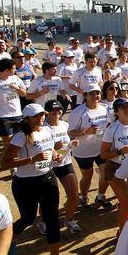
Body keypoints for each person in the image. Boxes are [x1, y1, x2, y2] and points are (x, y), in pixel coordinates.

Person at [2, 103, 68, 255]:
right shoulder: (21, 136)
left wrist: (56, 156)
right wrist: (32, 159)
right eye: (36, 116)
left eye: (42, 114)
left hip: (47, 177)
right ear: (27, 118)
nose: (41, 118)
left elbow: (50, 150)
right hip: (25, 183)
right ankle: (12, 239)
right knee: (28, 218)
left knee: (52, 218)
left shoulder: (46, 130)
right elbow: (5, 162)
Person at [100, 98, 128, 227]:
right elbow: (103, 154)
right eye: (123, 107)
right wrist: (120, 152)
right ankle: (122, 232)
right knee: (126, 200)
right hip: (115, 168)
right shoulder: (112, 129)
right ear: (116, 112)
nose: (127, 109)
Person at [68, 85, 112, 208]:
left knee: (106, 174)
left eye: (97, 93)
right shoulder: (78, 112)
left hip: (101, 148)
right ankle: (83, 197)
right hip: (83, 151)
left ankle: (100, 196)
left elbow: (108, 124)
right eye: (92, 94)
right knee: (87, 176)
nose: (95, 96)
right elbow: (70, 132)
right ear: (85, 95)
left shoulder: (105, 108)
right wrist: (85, 132)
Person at [43, 99, 82, 232]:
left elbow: (66, 145)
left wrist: (71, 145)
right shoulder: (42, 129)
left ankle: (69, 220)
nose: (56, 112)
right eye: (53, 110)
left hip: (65, 163)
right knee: (49, 199)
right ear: (46, 113)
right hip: (48, 167)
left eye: (59, 109)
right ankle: (43, 221)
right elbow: (39, 149)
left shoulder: (65, 125)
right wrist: (53, 148)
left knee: (73, 195)